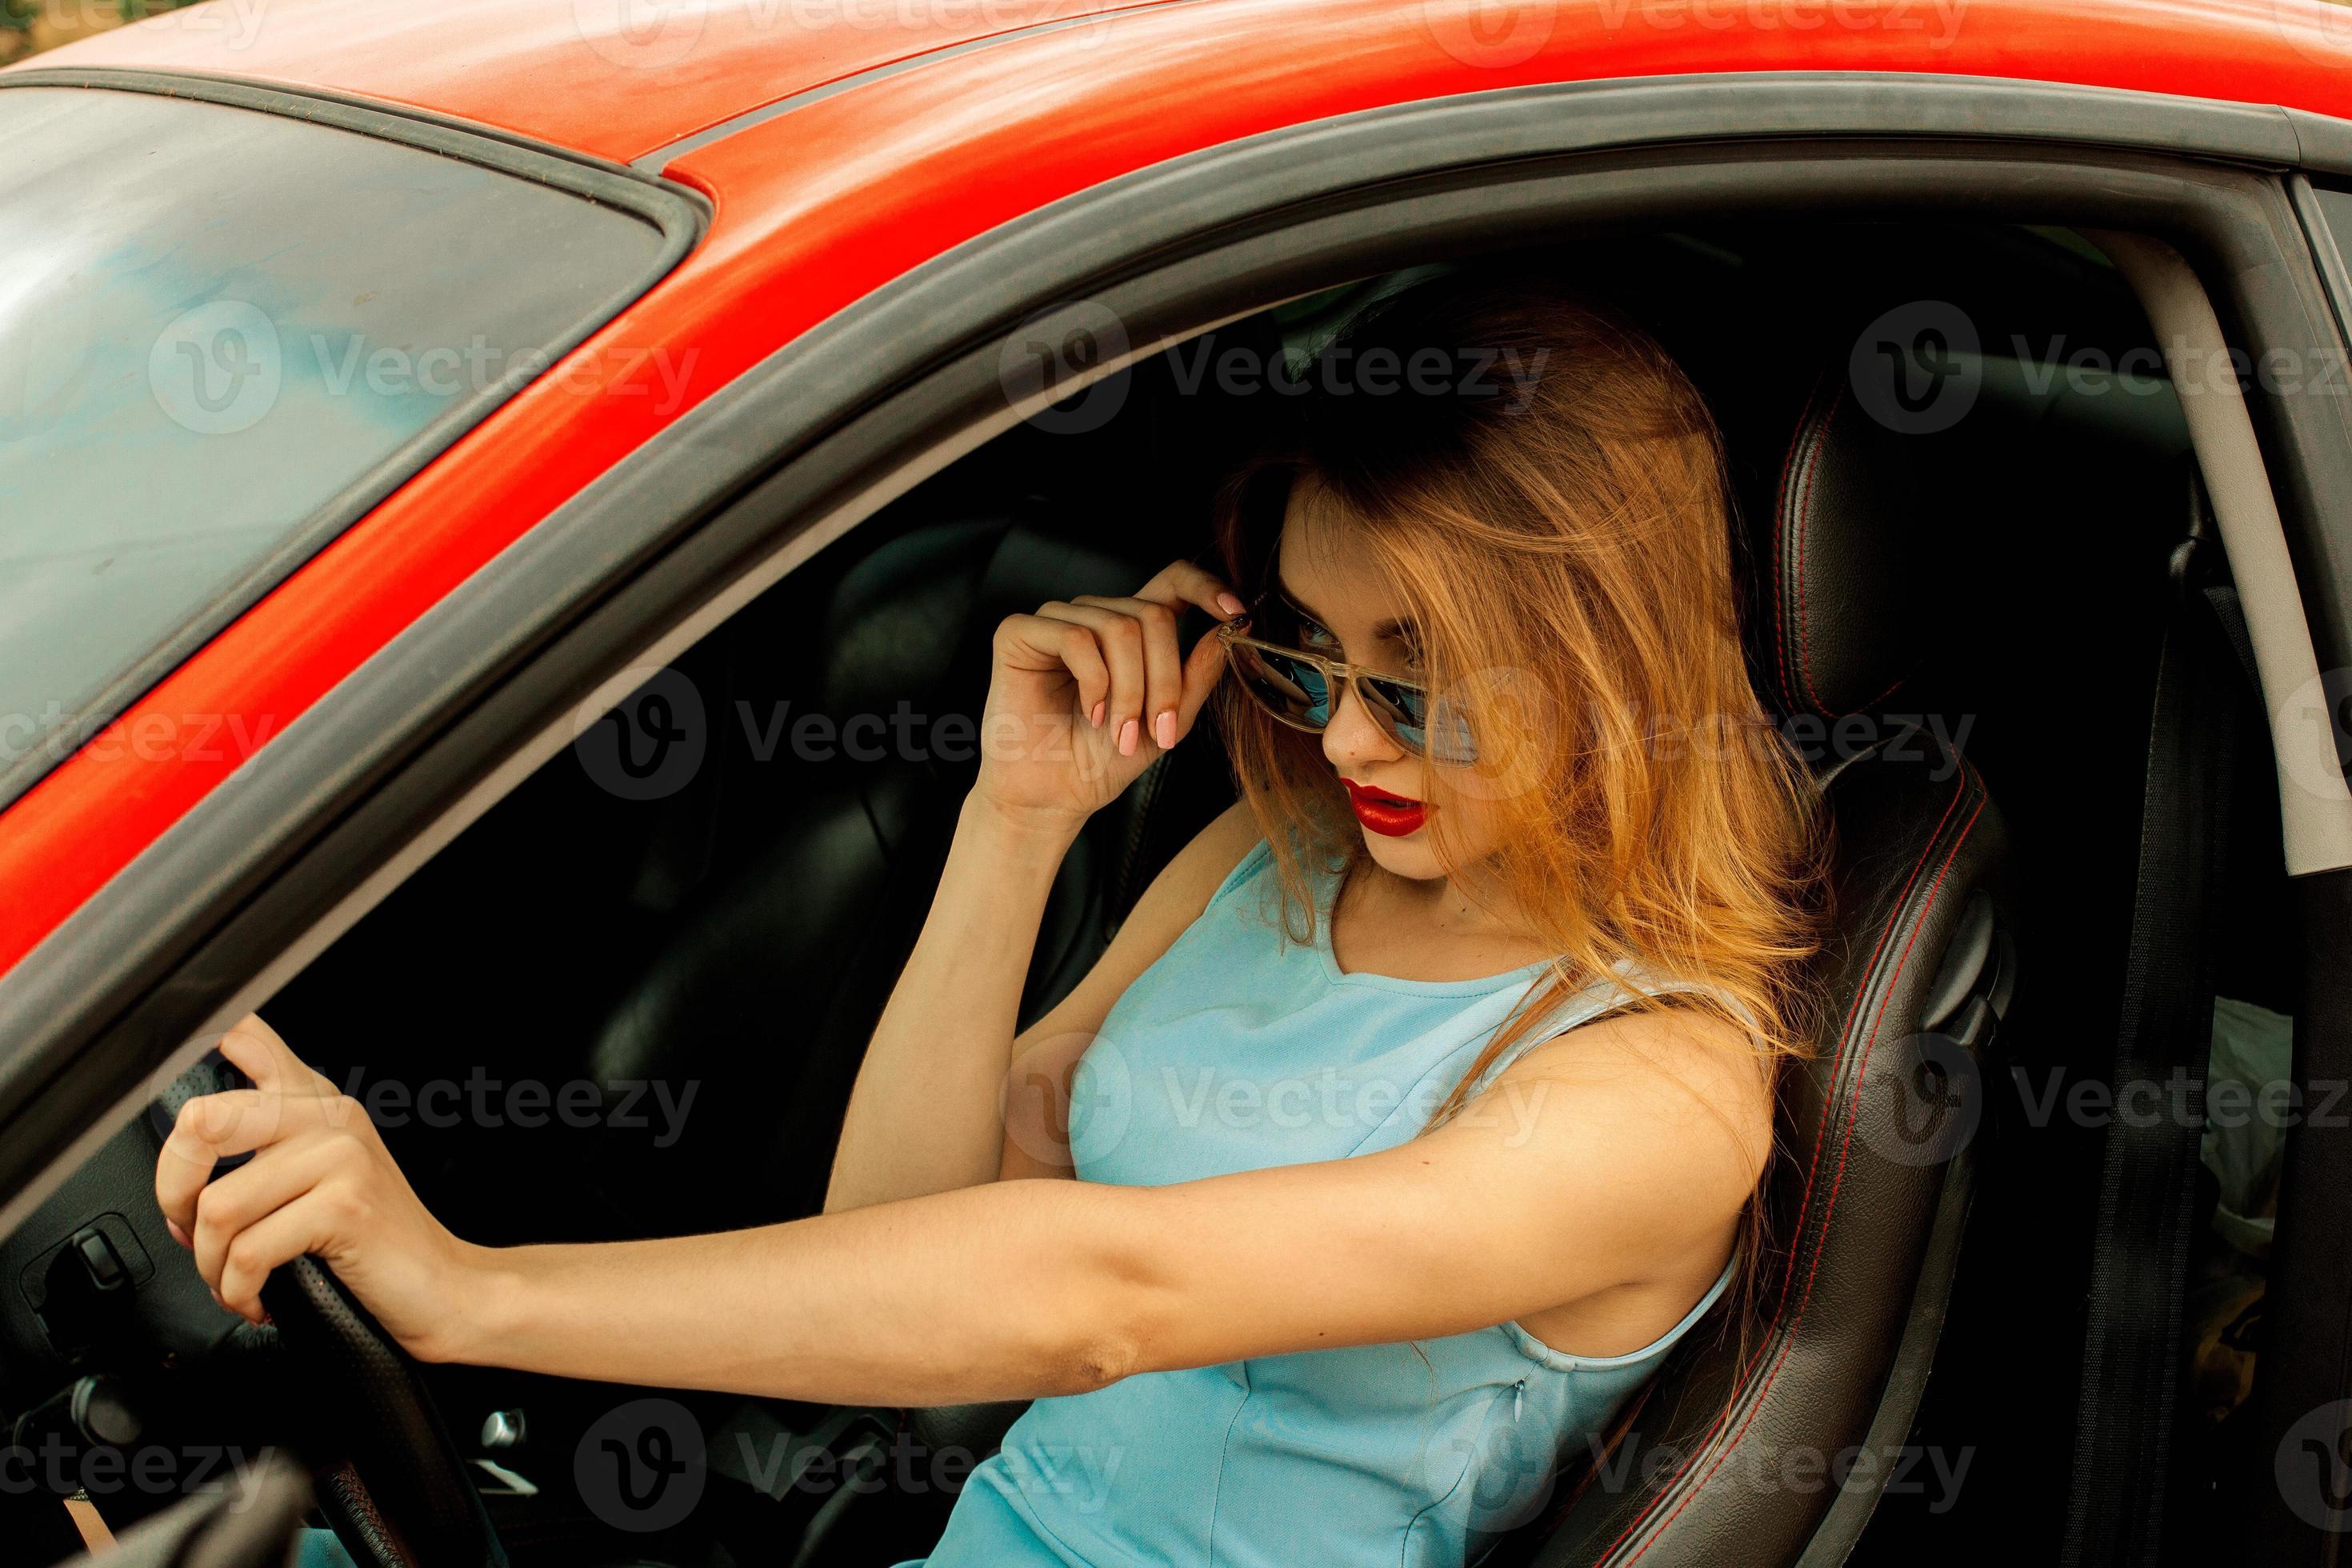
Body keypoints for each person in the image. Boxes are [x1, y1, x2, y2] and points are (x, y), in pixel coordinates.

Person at [154, 266, 1823, 1566]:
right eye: (1310, 653)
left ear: (1616, 673)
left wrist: (474, 1293)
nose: (1343, 741)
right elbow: (898, 1231)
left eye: (1421, 683)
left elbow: (1103, 1295)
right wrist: (1014, 827)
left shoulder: (1658, 1093)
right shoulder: (1284, 855)